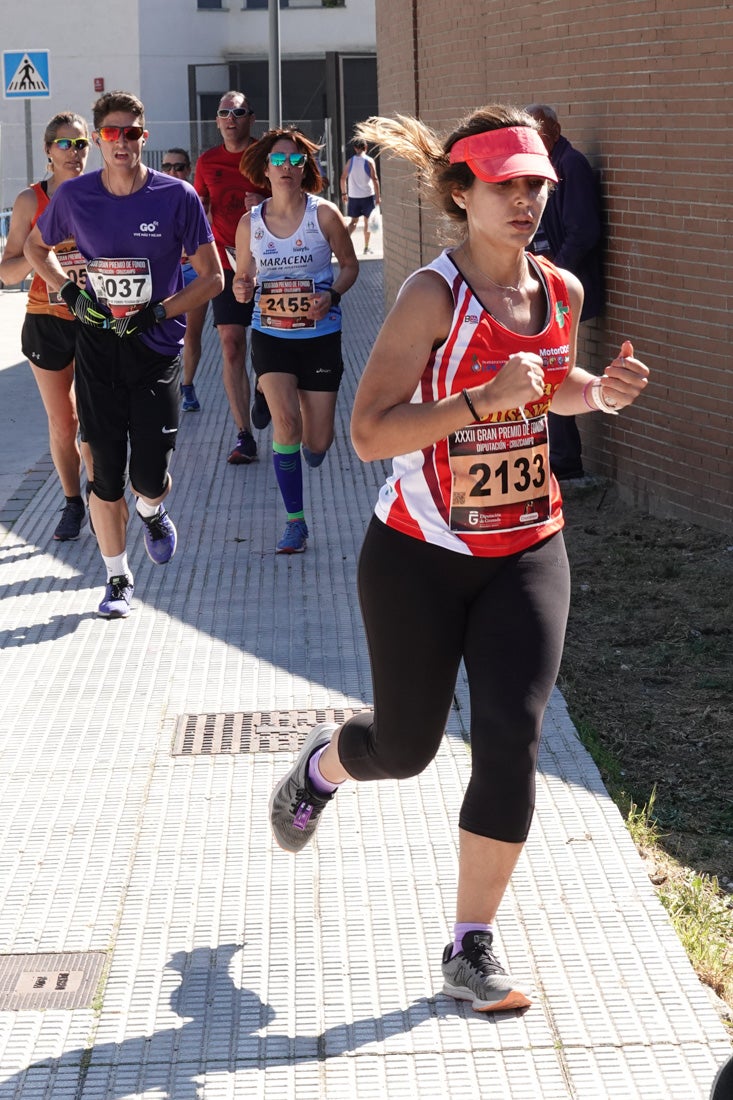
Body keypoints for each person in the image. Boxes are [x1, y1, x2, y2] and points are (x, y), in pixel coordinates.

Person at [268, 106, 648, 1012]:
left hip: (527, 547)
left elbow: (550, 386)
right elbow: (366, 433)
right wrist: (477, 401)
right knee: (405, 747)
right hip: (418, 554)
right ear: (460, 191)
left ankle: (469, 944)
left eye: (536, 186)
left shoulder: (560, 291)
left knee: (512, 736)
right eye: (505, 185)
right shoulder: (430, 298)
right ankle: (323, 766)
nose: (524, 200)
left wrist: (597, 392)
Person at [25, 90, 223, 619]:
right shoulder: (75, 197)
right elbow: (34, 250)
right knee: (105, 472)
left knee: (149, 474)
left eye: (130, 132)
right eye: (110, 133)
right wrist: (68, 291)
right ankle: (117, 578)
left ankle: (153, 509)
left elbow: (213, 277)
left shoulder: (176, 196)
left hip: (156, 348)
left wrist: (159, 311)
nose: (120, 142)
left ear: (143, 137)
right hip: (97, 348)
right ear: (98, 138)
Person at [233, 128, 358, 553]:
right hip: (271, 335)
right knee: (286, 424)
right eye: (279, 161)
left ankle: (265, 393)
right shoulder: (250, 224)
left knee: (317, 444)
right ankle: (295, 522)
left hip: (321, 337)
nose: (286, 168)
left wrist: (332, 294)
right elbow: (242, 279)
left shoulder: (324, 215)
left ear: (305, 168)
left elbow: (350, 267)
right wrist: (242, 289)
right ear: (264, 168)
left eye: (295, 161)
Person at [0, 111, 94, 541]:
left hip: (95, 321)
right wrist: (42, 253)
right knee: (64, 422)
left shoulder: (101, 194)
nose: (74, 153)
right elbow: (7, 274)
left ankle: (102, 495)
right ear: (47, 150)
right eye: (65, 144)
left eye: (81, 144)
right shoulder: (29, 200)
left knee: (97, 419)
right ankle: (73, 502)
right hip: (47, 320)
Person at [525, 104, 604, 480]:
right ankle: (558, 457)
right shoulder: (542, 167)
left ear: (554, 129)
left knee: (552, 369)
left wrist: (554, 274)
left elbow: (584, 230)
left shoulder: (569, 165)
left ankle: (565, 462)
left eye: (536, 131)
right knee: (544, 369)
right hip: (542, 283)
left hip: (559, 284)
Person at [193, 91, 269, 463]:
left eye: (238, 112)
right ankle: (244, 435)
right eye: (224, 112)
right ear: (217, 120)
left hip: (270, 265)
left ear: (251, 118)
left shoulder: (266, 155)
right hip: (227, 264)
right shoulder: (207, 162)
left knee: (266, 344)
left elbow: (295, 199)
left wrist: (265, 204)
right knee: (231, 345)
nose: (230, 118)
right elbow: (198, 208)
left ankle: (263, 389)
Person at [161, 147, 207, 412]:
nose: (172, 172)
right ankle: (166, 384)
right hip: (162, 274)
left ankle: (186, 385)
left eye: (178, 167)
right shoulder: (152, 197)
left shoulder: (194, 199)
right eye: (167, 167)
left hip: (191, 272)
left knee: (190, 334)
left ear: (188, 170)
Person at [339, 138, 381, 255]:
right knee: (367, 223)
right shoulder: (369, 161)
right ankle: (366, 248)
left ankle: (341, 245)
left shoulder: (350, 161)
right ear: (365, 148)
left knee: (353, 222)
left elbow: (343, 178)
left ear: (355, 148)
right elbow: (375, 179)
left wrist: (344, 193)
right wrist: (378, 197)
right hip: (368, 196)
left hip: (354, 197)